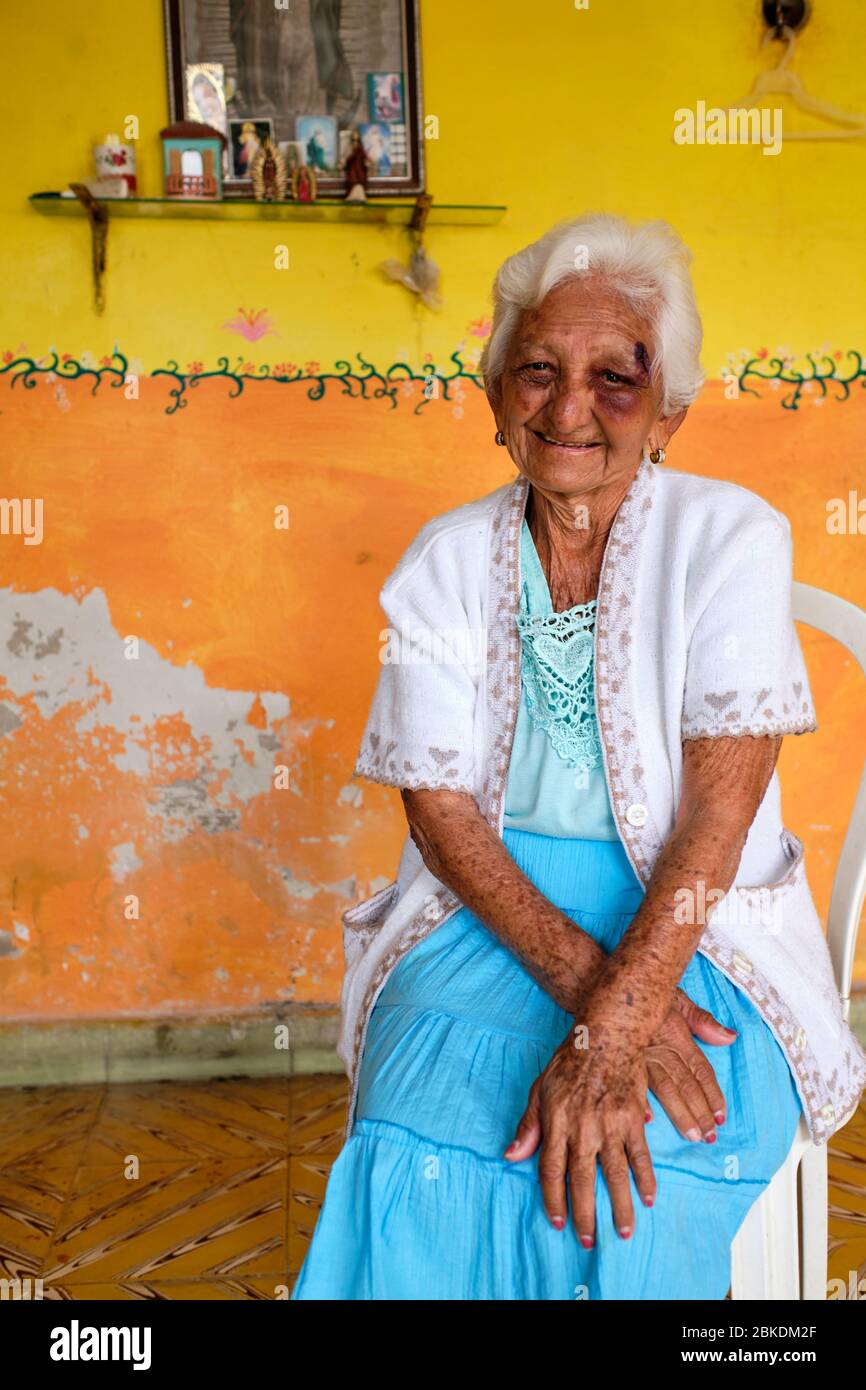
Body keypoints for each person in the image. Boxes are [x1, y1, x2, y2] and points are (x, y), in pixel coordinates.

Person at [292, 212, 866, 1301]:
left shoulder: (730, 537)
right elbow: (440, 815)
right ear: (495, 397)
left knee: (631, 1169)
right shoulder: (443, 562)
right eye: (538, 371)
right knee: (418, 1130)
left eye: (615, 377)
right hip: (484, 908)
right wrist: (601, 1013)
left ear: (669, 415)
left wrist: (619, 1020)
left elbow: (718, 811)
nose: (568, 409)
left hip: (698, 918)